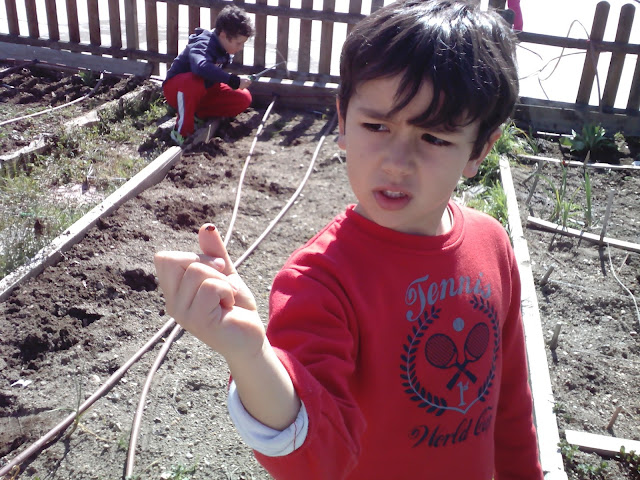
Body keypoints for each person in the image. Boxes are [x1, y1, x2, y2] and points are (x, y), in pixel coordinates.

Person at [154, 1, 543, 479]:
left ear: (479, 149)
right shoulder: (319, 280)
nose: (396, 162)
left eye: (435, 138)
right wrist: (251, 357)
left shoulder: (493, 244)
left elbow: (511, 402)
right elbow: (316, 456)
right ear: (342, 122)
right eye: (377, 126)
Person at [162, 5, 254, 145]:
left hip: (203, 91)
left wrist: (234, 83)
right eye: (238, 43)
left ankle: (198, 115)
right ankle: (181, 133)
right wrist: (232, 80)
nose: (240, 48)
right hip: (177, 90)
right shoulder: (203, 44)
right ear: (223, 35)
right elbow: (200, 67)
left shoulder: (224, 49)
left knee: (243, 97)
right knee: (193, 81)